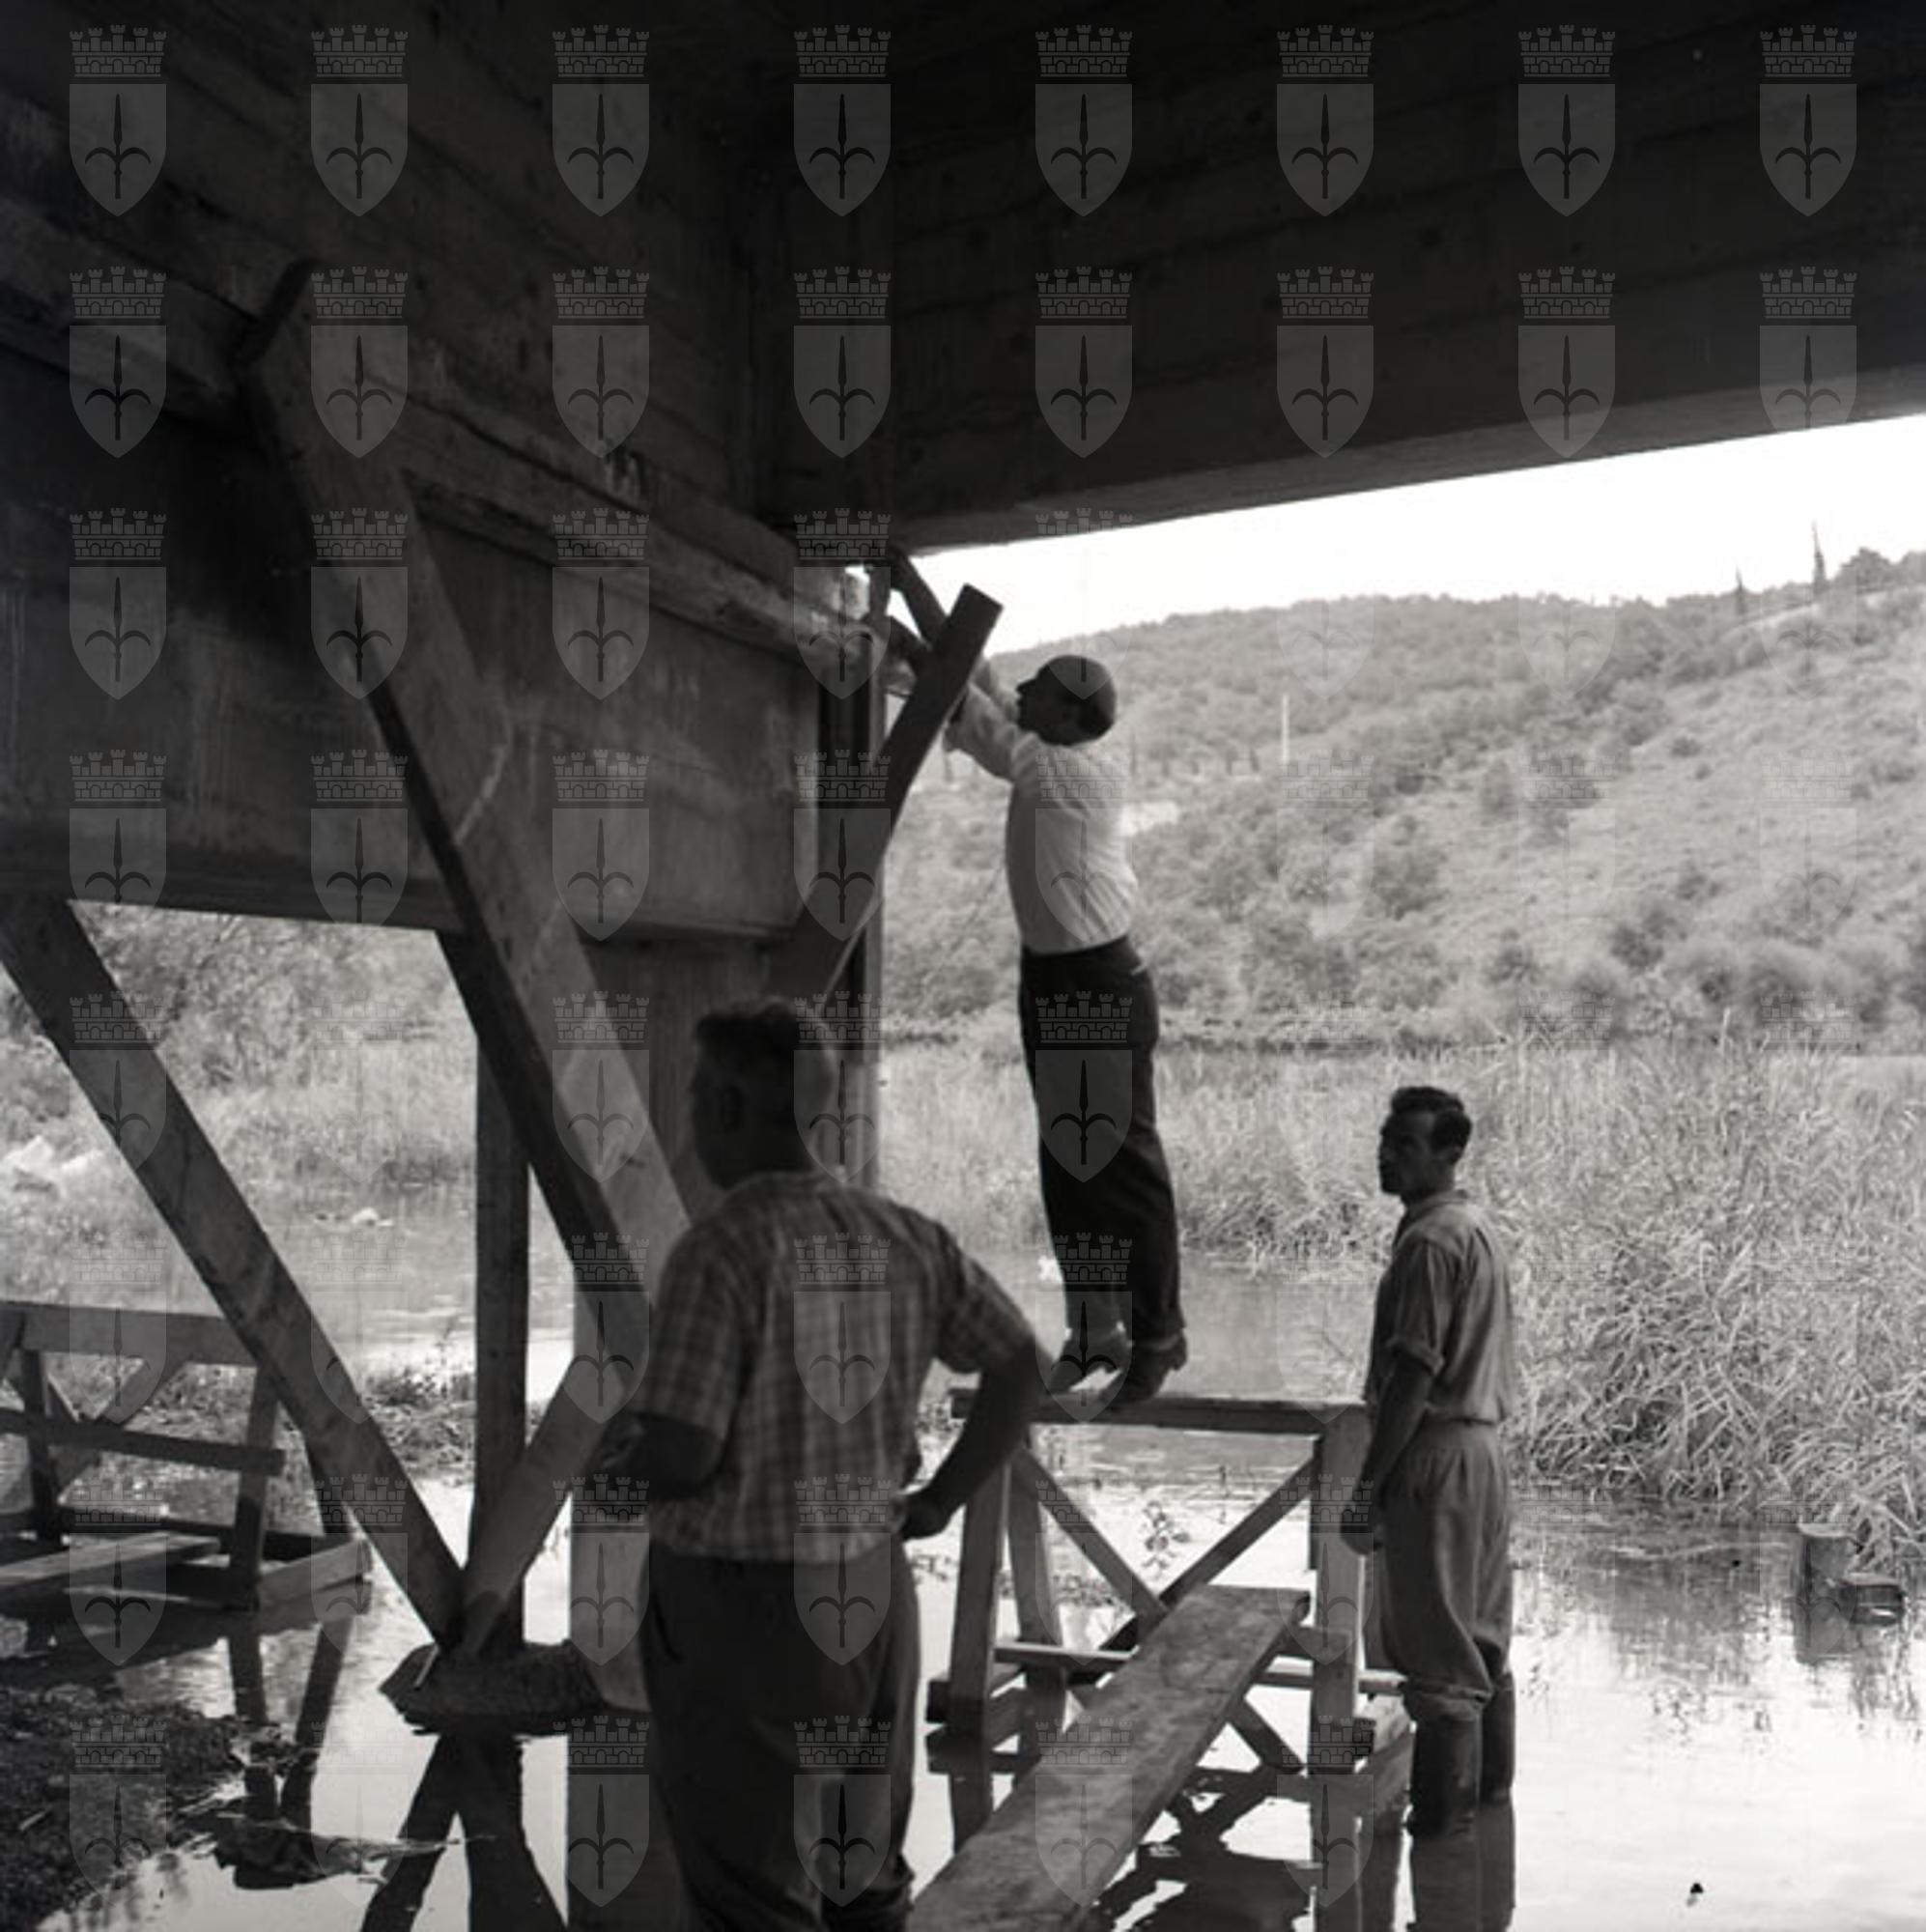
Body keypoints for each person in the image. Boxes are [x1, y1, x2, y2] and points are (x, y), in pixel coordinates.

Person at [595, 999, 1043, 1929]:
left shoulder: (721, 1251)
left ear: (726, 1105)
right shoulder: (906, 1236)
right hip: (871, 1592)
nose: (690, 1113)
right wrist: (939, 1501)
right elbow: (1019, 1368)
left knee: (752, 1891)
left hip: (743, 1610)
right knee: (859, 1876)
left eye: (695, 1093)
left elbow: (685, 1454)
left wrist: (609, 1474)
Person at [883, 547, 1187, 1406]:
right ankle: (1096, 1331)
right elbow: (976, 676)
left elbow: (968, 699)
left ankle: (1159, 1334)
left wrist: (907, 643)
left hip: (1098, 981)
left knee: (1123, 1164)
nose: (1022, 692)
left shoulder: (1072, 771)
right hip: (1055, 978)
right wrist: (908, 585)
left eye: (1040, 690)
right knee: (1068, 1164)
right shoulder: (1051, 746)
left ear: (1071, 714)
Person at [1342, 1086, 1517, 1839]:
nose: (1388, 1156)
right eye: (1386, 1142)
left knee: (1440, 1663)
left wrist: (1367, 1488)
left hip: (1437, 1458)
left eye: (1406, 1146)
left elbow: (1413, 1374)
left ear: (1449, 1154)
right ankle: (1486, 1830)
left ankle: (1440, 1844)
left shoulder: (1429, 1243)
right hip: (1483, 1454)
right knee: (1480, 1644)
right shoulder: (1476, 1228)